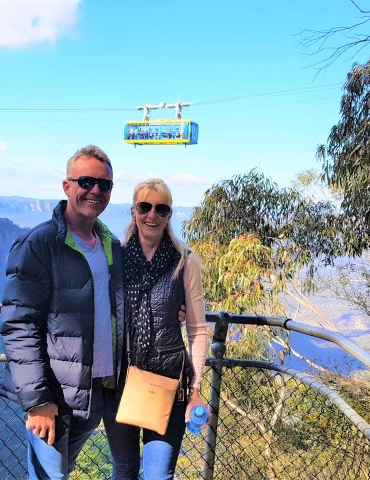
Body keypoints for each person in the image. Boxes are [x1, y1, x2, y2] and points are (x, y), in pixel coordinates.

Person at [0, 145, 124, 480]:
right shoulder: (39, 243)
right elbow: (18, 324)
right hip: (54, 396)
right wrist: (37, 401)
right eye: (86, 181)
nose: (95, 190)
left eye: (105, 185)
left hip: (95, 389)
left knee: (64, 471)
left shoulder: (110, 243)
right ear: (67, 186)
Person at [103, 178, 209, 480]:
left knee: (158, 474)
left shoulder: (185, 262)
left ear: (169, 215)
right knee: (123, 470)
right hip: (120, 380)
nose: (153, 215)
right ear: (134, 211)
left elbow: (198, 329)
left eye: (161, 209)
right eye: (145, 207)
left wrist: (196, 390)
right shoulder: (114, 258)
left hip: (167, 382)